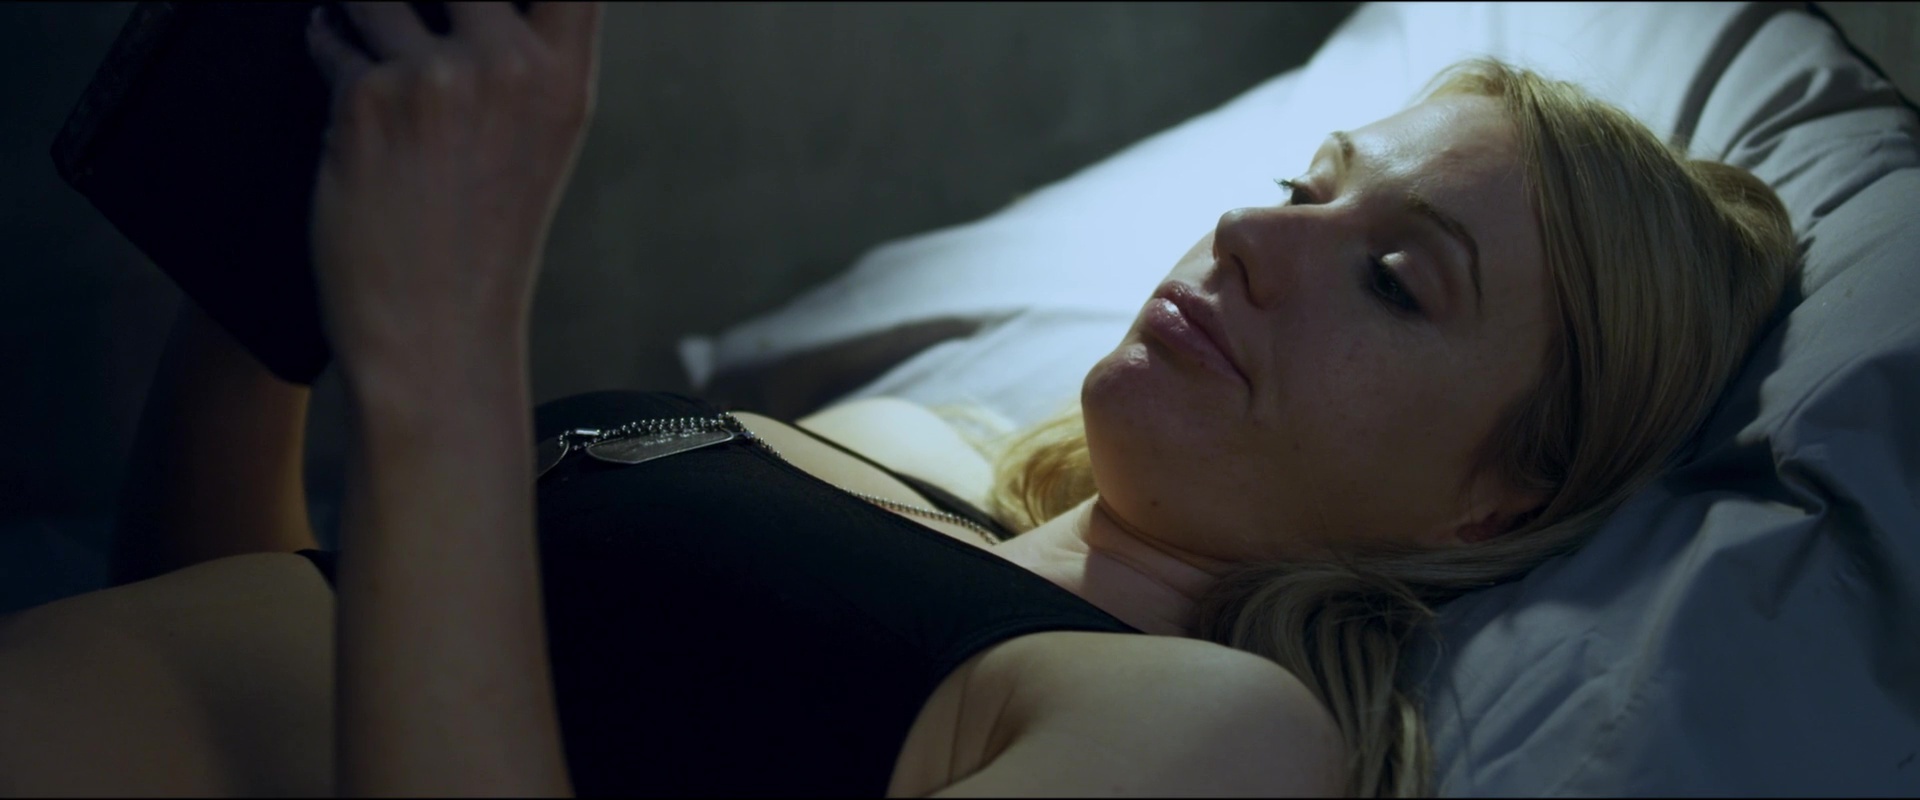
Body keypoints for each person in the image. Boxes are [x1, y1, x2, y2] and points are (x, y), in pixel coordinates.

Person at [0, 1, 1798, 796]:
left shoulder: (1218, 740)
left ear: (1499, 496)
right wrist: (287, 264)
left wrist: (444, 361)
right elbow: (249, 631)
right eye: (1305, 188)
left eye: (1397, 277)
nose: (1259, 235)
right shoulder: (894, 452)